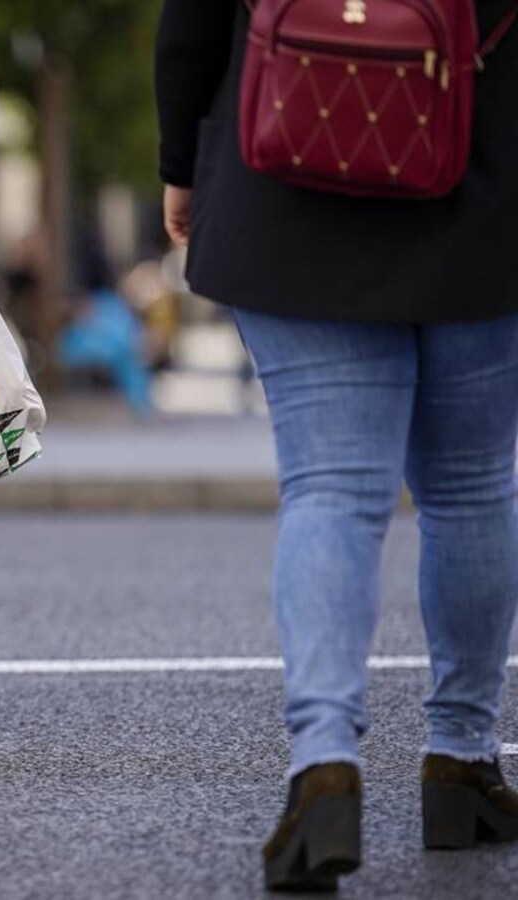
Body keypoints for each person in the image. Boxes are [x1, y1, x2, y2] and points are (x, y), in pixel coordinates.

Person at [157, 0, 518, 891]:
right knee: (472, 485)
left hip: (289, 158)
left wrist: (180, 164)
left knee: (331, 492)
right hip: (488, 163)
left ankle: (323, 765)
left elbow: (190, 21)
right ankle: (461, 760)